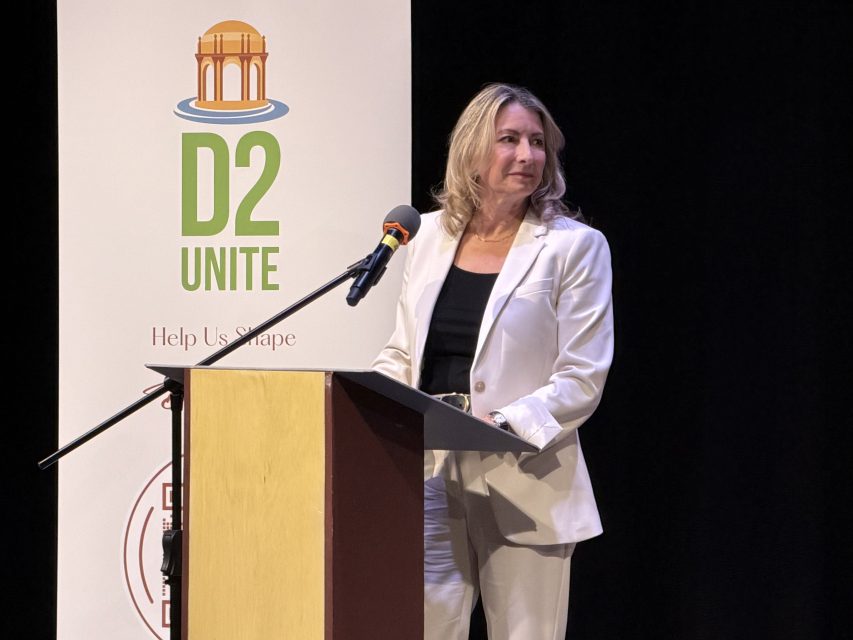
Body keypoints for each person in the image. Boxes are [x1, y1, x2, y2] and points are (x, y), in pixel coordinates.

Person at [372, 82, 614, 640]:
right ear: (473, 151)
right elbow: (404, 351)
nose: (527, 155)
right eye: (509, 139)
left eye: (537, 142)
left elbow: (582, 377)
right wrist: (374, 403)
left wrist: (502, 424)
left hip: (526, 477)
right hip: (430, 472)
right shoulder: (427, 235)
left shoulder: (573, 247)